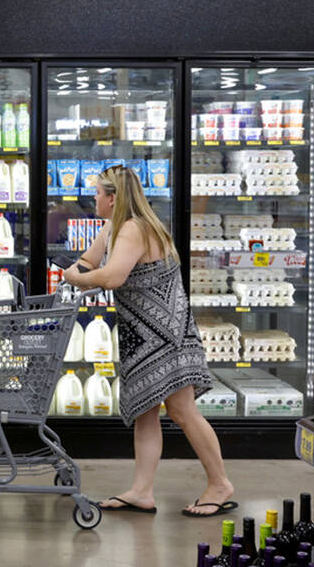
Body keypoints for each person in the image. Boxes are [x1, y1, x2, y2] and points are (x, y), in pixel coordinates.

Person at [62, 164, 236, 518]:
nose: (92, 197)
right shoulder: (114, 226)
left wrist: (75, 279)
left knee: (182, 410)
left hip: (166, 335)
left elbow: (111, 276)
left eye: (97, 193)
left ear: (112, 199)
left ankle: (220, 484)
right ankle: (141, 491)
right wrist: (76, 270)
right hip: (143, 334)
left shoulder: (134, 230)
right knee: (145, 411)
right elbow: (89, 260)